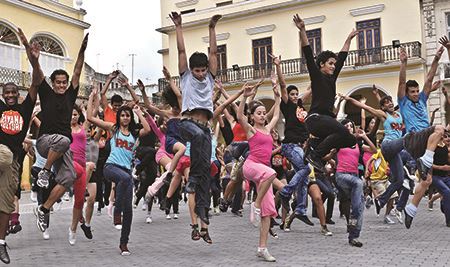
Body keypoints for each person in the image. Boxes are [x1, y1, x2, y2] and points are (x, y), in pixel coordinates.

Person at [169, 11, 221, 240]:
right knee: (199, 139)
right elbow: (181, 51)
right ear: (191, 70)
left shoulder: (210, 77)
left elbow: (213, 52)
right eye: (197, 70)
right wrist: (179, 26)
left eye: (203, 70)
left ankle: (204, 223)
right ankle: (190, 183)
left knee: (205, 176)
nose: (200, 74)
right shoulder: (186, 77)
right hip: (188, 123)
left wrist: (211, 28)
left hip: (205, 128)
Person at [31, 32, 89, 235]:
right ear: (53, 83)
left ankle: (44, 208)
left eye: (64, 82)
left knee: (68, 176)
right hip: (46, 142)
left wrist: (82, 50)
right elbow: (37, 73)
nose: (62, 85)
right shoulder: (46, 92)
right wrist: (35, 59)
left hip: (62, 146)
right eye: (59, 82)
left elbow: (77, 71)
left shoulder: (70, 94)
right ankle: (45, 171)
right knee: (65, 139)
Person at [87, 88, 150, 255]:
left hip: (125, 173)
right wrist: (92, 98)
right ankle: (116, 211)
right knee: (125, 179)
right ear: (118, 117)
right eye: (122, 115)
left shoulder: (134, 133)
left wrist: (138, 112)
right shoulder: (113, 129)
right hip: (110, 168)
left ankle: (124, 244)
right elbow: (90, 118)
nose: (125, 117)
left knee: (128, 210)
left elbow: (148, 129)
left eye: (128, 115)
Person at [292, 14, 358, 172]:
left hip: (325, 121)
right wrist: (302, 30)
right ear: (321, 64)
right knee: (342, 130)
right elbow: (308, 54)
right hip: (315, 119)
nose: (334, 66)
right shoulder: (317, 76)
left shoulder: (332, 78)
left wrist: (349, 39)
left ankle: (313, 147)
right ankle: (315, 155)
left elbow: (342, 58)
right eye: (330, 63)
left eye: (334, 64)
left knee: (350, 139)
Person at [0, 29, 39, 263]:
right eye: (8, 93)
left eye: (14, 92)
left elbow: (36, 82)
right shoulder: (0, 108)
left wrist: (32, 57)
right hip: (0, 153)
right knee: (2, 153)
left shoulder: (25, 109)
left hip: (12, 163)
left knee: (5, 204)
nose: (12, 95)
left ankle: (1, 243)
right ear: (3, 95)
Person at [238, 81, 280, 262]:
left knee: (268, 212)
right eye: (259, 113)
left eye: (264, 113)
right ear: (253, 116)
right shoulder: (251, 129)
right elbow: (239, 116)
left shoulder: (268, 129)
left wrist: (277, 95)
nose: (263, 116)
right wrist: (244, 96)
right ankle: (255, 204)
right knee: (271, 173)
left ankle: (262, 248)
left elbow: (277, 115)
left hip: (263, 173)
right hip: (251, 166)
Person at [270, 53, 314, 226]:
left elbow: (312, 88)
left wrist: (317, 70)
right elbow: (283, 85)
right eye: (293, 94)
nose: (295, 96)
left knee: (303, 177)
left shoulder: (301, 105)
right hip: (289, 145)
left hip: (300, 147)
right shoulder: (287, 105)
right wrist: (278, 66)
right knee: (305, 168)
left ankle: (301, 209)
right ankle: (287, 191)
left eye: (296, 94)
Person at [335, 119, 377, 247]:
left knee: (359, 209)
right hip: (342, 176)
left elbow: (374, 151)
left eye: (350, 125)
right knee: (359, 183)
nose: (349, 127)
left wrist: (364, 136)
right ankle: (352, 216)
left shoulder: (357, 143)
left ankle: (353, 236)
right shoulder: (338, 141)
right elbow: (327, 154)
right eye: (346, 126)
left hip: (354, 176)